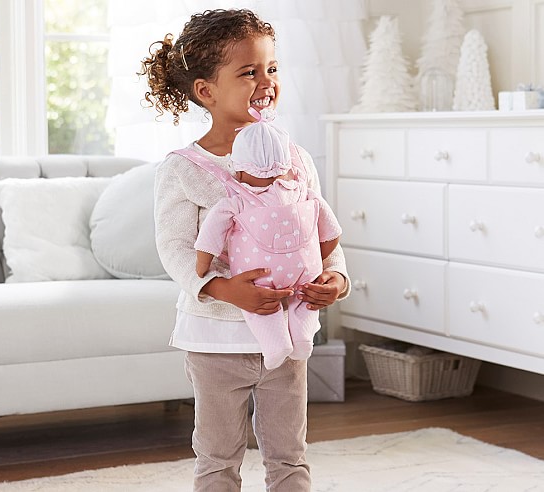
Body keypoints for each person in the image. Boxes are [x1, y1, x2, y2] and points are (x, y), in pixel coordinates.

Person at [140, 8, 350, 491]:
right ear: (206, 91)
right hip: (216, 341)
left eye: (271, 68)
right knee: (217, 459)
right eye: (249, 71)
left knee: (290, 457)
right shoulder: (183, 168)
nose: (266, 81)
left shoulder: (296, 159)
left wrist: (336, 278)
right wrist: (223, 289)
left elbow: (320, 232)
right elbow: (175, 248)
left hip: (288, 336)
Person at [192, 106, 342, 370]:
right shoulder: (303, 193)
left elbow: (211, 235)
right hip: (304, 271)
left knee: (262, 305)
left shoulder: (236, 201)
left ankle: (275, 345)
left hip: (260, 275)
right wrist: (320, 259)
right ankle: (303, 338)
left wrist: (202, 267)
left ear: (238, 171)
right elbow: (331, 232)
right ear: (287, 164)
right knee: (303, 298)